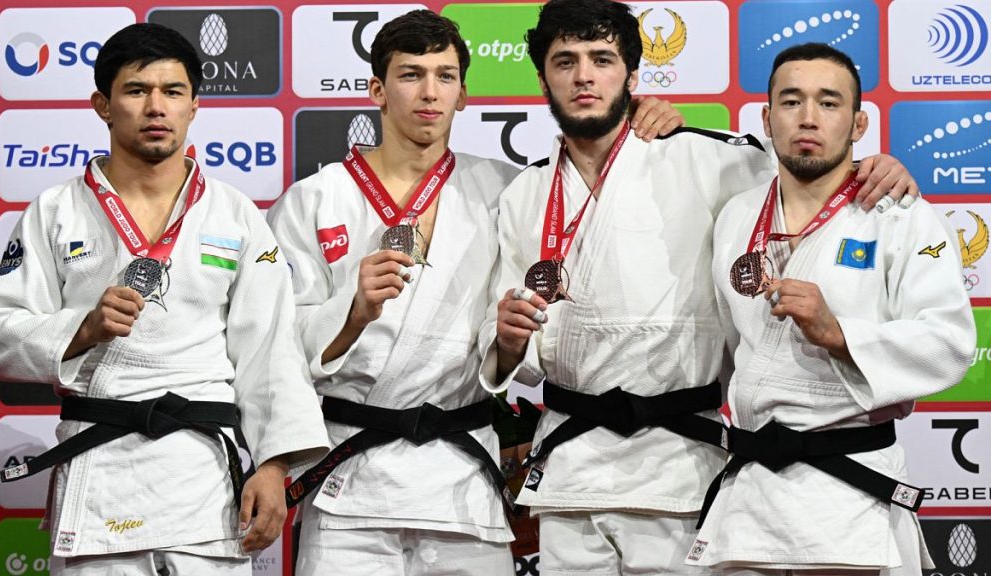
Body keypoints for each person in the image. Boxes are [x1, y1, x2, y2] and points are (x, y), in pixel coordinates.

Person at [481, 1, 920, 574]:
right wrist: (509, 343)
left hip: (682, 465)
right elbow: (515, 344)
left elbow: (811, 169)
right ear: (542, 79)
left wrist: (876, 168)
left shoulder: (712, 158)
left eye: (602, 59)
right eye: (565, 61)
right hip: (570, 466)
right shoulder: (524, 193)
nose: (583, 76)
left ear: (633, 76)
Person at [267, 9, 683, 576]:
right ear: (376, 90)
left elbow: (599, 185)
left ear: (465, 94)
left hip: (460, 474)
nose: (429, 93)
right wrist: (352, 313)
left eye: (445, 76)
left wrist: (650, 124)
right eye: (411, 75)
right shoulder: (310, 201)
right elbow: (271, 349)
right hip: (350, 480)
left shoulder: (507, 189)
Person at [0, 23, 330, 575]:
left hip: (203, 474)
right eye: (137, 91)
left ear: (194, 106)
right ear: (103, 105)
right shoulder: (55, 211)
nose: (156, 107)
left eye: (173, 91)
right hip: (101, 467)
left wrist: (273, 465)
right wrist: (82, 327)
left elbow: (271, 350)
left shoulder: (236, 215)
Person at [689, 42, 974, 576]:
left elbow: (951, 343)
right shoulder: (737, 215)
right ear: (766, 118)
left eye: (829, 102)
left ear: (859, 122)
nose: (809, 118)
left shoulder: (902, 215)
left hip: (848, 492)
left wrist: (839, 333)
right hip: (751, 494)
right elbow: (730, 347)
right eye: (792, 102)